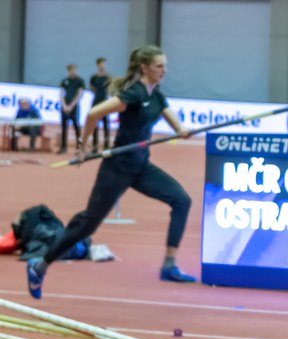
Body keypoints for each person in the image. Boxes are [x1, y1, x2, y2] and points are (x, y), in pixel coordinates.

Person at [26, 45, 196, 299]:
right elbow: (94, 113)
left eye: (164, 65)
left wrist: (182, 131)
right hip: (117, 168)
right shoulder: (134, 94)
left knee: (181, 200)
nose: (165, 70)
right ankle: (39, 266)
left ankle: (169, 265)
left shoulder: (156, 96)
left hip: (141, 166)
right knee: (88, 224)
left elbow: (174, 122)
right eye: (159, 66)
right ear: (144, 68)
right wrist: (82, 146)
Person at [59, 63, 85, 153]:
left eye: (74, 70)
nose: (73, 71)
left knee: (77, 127)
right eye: (71, 70)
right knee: (63, 127)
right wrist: (64, 105)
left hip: (74, 106)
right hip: (65, 105)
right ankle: (63, 147)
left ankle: (79, 146)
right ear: (68, 71)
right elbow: (61, 93)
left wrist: (72, 105)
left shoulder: (79, 81)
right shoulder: (65, 81)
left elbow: (79, 94)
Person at [89, 58, 113, 151]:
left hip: (105, 102)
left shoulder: (108, 77)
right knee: (95, 124)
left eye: (104, 64)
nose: (103, 66)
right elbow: (92, 87)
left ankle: (106, 146)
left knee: (106, 124)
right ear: (98, 65)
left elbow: (110, 88)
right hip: (96, 101)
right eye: (101, 64)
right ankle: (95, 146)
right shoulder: (94, 77)